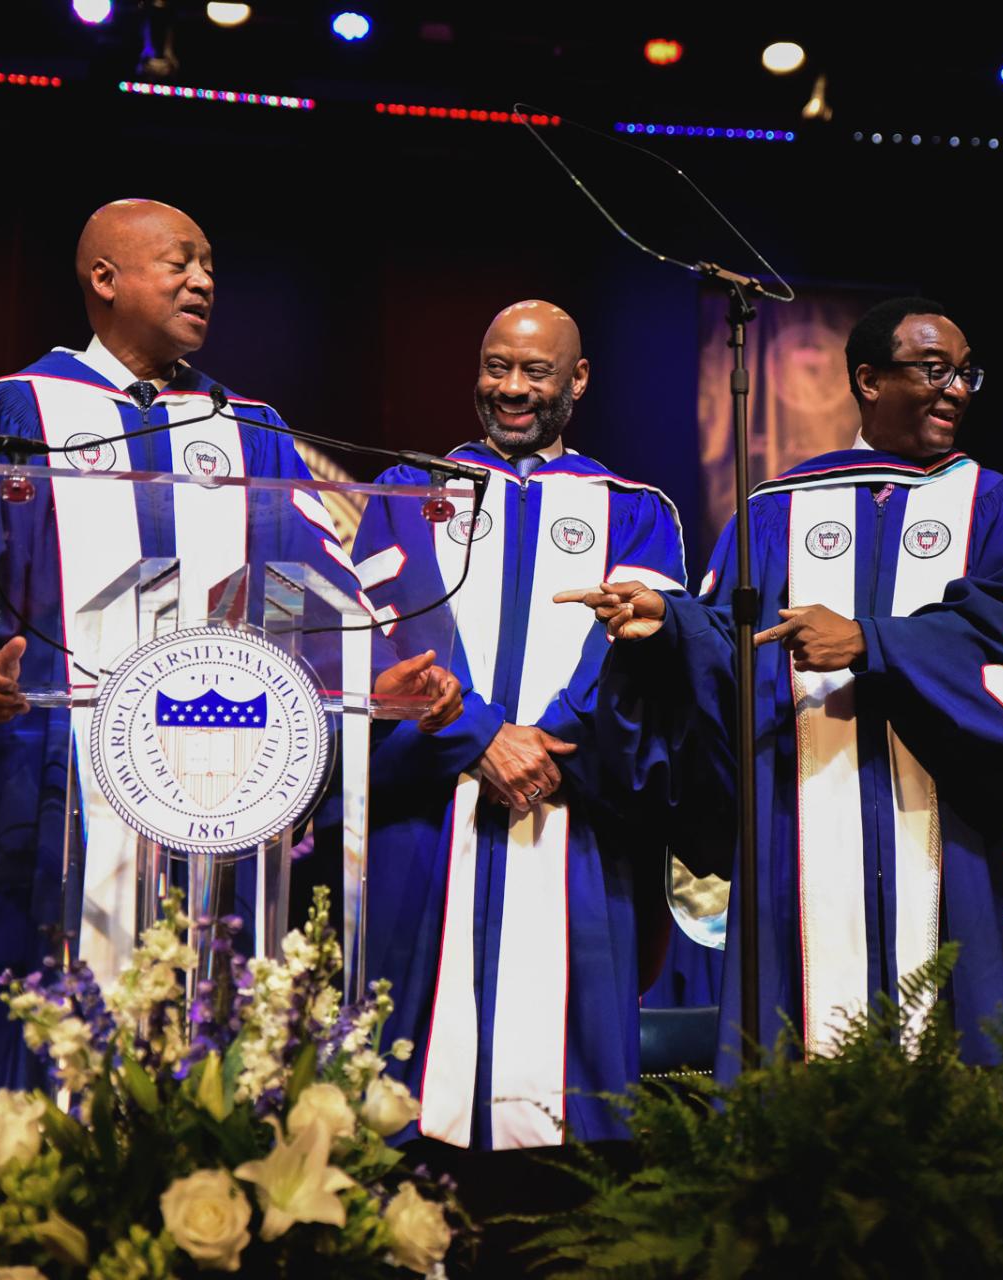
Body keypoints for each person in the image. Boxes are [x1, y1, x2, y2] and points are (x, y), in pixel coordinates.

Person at [0, 199, 455, 1096]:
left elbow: (312, 595)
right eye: (179, 262)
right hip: (54, 795)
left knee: (207, 1058)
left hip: (224, 801)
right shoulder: (18, 408)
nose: (203, 279)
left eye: (209, 265)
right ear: (104, 279)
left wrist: (367, 677)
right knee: (34, 1053)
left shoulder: (248, 427)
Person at [563, 296, 1003, 1078]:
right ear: (868, 381)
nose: (957, 390)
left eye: (966, 373)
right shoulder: (773, 512)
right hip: (793, 839)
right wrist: (667, 625)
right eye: (934, 370)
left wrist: (873, 643)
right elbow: (725, 666)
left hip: (950, 848)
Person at [351, 300, 687, 1151]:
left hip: (572, 813)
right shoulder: (411, 490)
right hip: (433, 810)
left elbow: (640, 658)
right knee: (405, 1074)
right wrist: (479, 737)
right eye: (496, 366)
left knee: (571, 1095)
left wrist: (543, 744)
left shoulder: (634, 509)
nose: (510, 388)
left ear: (577, 380)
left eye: (534, 372)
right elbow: (388, 631)